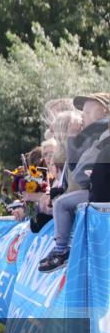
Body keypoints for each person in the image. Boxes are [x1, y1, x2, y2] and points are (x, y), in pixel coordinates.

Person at [39, 92, 110, 272]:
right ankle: (61, 249)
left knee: (62, 204)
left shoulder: (98, 133)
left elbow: (73, 164)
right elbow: (77, 167)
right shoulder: (96, 135)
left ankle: (61, 250)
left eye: (86, 113)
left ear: (104, 111)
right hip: (94, 191)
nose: (82, 117)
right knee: (62, 203)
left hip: (97, 195)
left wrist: (71, 137)